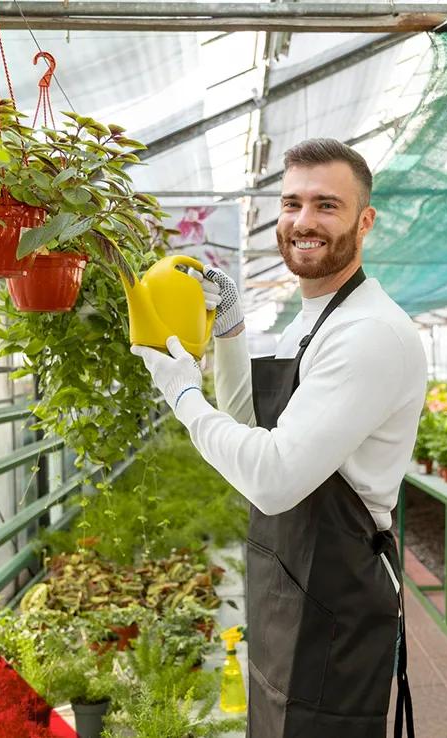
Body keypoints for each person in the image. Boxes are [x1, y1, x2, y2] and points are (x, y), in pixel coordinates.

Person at [132, 139, 424, 738]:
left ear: (365, 220)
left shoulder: (367, 332)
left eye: (327, 205)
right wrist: (232, 329)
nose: (303, 221)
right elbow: (250, 429)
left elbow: (271, 479)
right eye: (292, 203)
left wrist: (182, 394)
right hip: (292, 588)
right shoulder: (316, 318)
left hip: (333, 606)